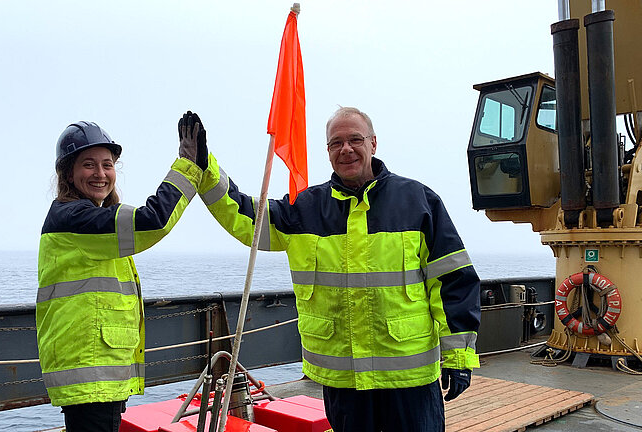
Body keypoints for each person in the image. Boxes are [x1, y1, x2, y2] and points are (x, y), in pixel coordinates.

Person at [194, 107, 480, 431]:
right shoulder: (303, 207)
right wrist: (206, 169)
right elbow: (248, 217)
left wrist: (458, 359)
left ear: (373, 143)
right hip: (345, 388)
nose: (346, 149)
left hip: (410, 384)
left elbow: (453, 280)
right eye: (336, 143)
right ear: (328, 152)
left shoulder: (418, 201)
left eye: (355, 139)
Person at [37, 113, 207, 432]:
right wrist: (188, 166)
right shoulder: (75, 219)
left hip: (98, 370)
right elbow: (152, 220)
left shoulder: (88, 218)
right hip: (90, 372)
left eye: (107, 164)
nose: (100, 173)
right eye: (89, 164)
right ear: (69, 174)